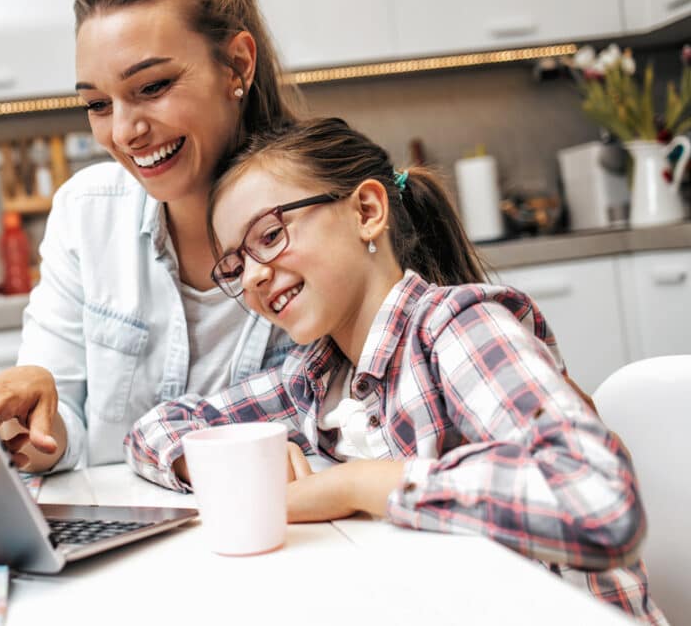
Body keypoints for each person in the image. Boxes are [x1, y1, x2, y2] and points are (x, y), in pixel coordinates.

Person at [124, 117, 665, 624]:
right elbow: (155, 428)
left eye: (269, 236)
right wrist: (227, 462)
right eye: (236, 265)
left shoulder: (456, 329)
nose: (253, 279)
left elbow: (598, 504)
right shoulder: (314, 380)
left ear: (366, 212)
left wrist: (356, 484)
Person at [0, 0, 299, 472]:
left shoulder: (320, 219)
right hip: (131, 545)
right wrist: (30, 425)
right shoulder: (86, 214)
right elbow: (64, 438)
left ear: (237, 65)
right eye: (98, 105)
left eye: (151, 88)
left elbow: (361, 428)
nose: (124, 132)